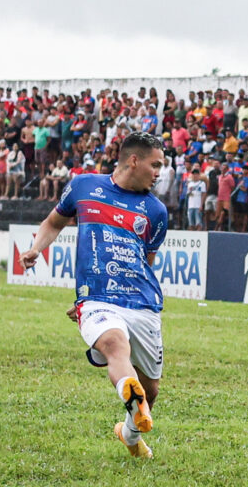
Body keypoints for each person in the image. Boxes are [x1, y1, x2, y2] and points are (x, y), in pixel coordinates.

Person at [17, 132, 168, 459]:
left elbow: (147, 261)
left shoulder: (156, 211)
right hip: (96, 299)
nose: (159, 173)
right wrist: (35, 248)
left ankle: (129, 433)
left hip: (142, 302)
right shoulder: (84, 185)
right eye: (155, 165)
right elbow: (53, 222)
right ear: (134, 160)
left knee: (152, 389)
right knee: (115, 344)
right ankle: (131, 395)